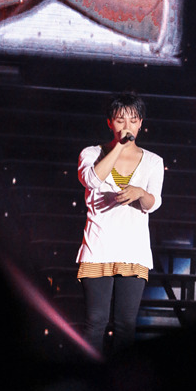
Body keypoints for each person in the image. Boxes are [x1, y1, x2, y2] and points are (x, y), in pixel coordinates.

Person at [76, 90, 164, 356]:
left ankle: (121, 377)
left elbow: (153, 203)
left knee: (126, 325)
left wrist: (140, 193)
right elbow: (91, 179)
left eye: (133, 120)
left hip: (133, 251)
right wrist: (119, 148)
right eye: (120, 120)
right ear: (109, 122)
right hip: (98, 247)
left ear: (141, 123)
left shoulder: (153, 161)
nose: (127, 126)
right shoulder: (91, 153)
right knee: (95, 322)